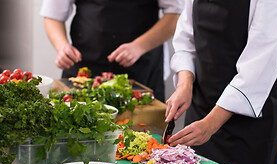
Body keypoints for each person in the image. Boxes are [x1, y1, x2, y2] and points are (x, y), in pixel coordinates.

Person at [165, 0, 277, 164]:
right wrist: (185, 84)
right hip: (202, 105)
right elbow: (186, 37)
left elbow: (259, 65)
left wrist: (210, 124)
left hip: (249, 119)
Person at [40, 0, 184, 102]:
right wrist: (62, 46)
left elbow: (175, 15)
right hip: (83, 67)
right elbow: (53, 15)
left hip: (142, 68)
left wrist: (139, 47)